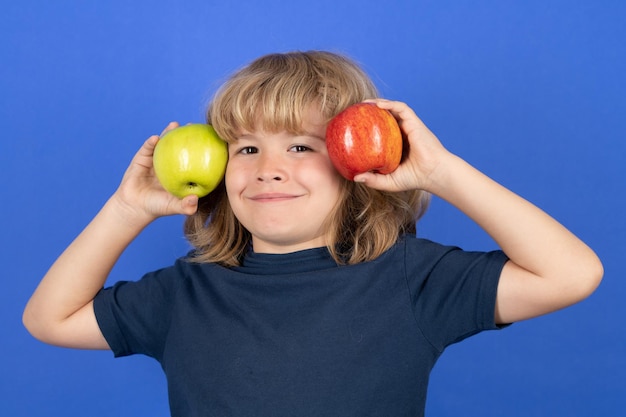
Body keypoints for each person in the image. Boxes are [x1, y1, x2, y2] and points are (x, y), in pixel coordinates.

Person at [23, 51, 603, 416]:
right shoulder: (183, 294)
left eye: (301, 146)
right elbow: (49, 319)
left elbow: (572, 273)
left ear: (357, 166)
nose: (268, 168)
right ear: (223, 175)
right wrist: (128, 209)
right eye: (246, 148)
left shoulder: (413, 280)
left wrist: (442, 172)